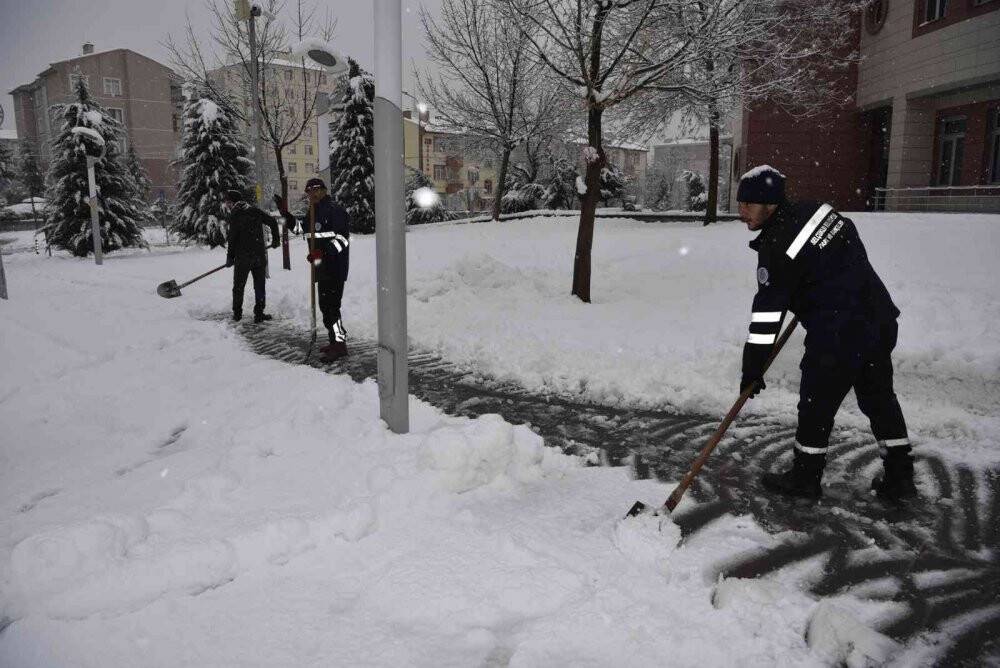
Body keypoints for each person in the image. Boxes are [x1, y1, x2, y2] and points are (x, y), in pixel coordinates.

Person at [735, 165, 915, 503]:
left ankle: (804, 480)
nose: (740, 212)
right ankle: (901, 477)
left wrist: (752, 368)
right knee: (879, 399)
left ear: (769, 204)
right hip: (878, 319)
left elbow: (766, 317)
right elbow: (846, 243)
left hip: (838, 334)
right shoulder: (819, 210)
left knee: (816, 406)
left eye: (747, 205)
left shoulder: (775, 248)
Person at [275, 178, 351, 359]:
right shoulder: (313, 211)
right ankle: (336, 341)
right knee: (327, 308)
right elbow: (301, 229)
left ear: (324, 190)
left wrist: (322, 253)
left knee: (331, 308)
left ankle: (339, 344)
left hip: (335, 268)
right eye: (309, 191)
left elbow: (343, 239)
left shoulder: (334, 210)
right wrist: (285, 214)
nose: (312, 193)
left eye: (316, 189)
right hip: (321, 268)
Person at [225, 189, 280, 323]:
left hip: (243, 257)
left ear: (232, 202)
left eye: (227, 202)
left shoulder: (235, 213)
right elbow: (273, 222)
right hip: (259, 256)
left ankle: (237, 314)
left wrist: (230, 256)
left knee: (238, 286)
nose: (226, 205)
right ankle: (259, 313)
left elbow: (232, 237)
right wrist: (276, 240)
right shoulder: (254, 210)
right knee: (259, 286)